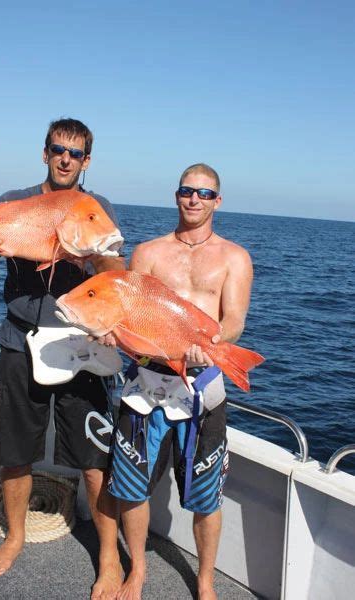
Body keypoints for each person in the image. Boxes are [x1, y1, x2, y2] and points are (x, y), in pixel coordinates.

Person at [0, 118, 125, 598]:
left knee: (95, 458)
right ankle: (15, 536)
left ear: (87, 160)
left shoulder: (99, 208)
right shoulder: (18, 202)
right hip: (19, 340)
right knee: (14, 451)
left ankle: (109, 558)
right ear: (45, 153)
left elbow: (118, 270)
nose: (66, 158)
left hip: (82, 347)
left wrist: (91, 256)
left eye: (75, 153)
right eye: (58, 149)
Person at [106, 163, 254, 600]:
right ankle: (137, 571)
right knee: (131, 489)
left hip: (202, 385)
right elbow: (132, 314)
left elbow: (234, 321)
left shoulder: (234, 257)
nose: (194, 199)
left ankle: (205, 580)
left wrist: (204, 343)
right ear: (176, 195)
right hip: (145, 385)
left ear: (218, 201)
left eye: (205, 194)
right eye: (187, 191)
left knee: (206, 499)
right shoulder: (149, 253)